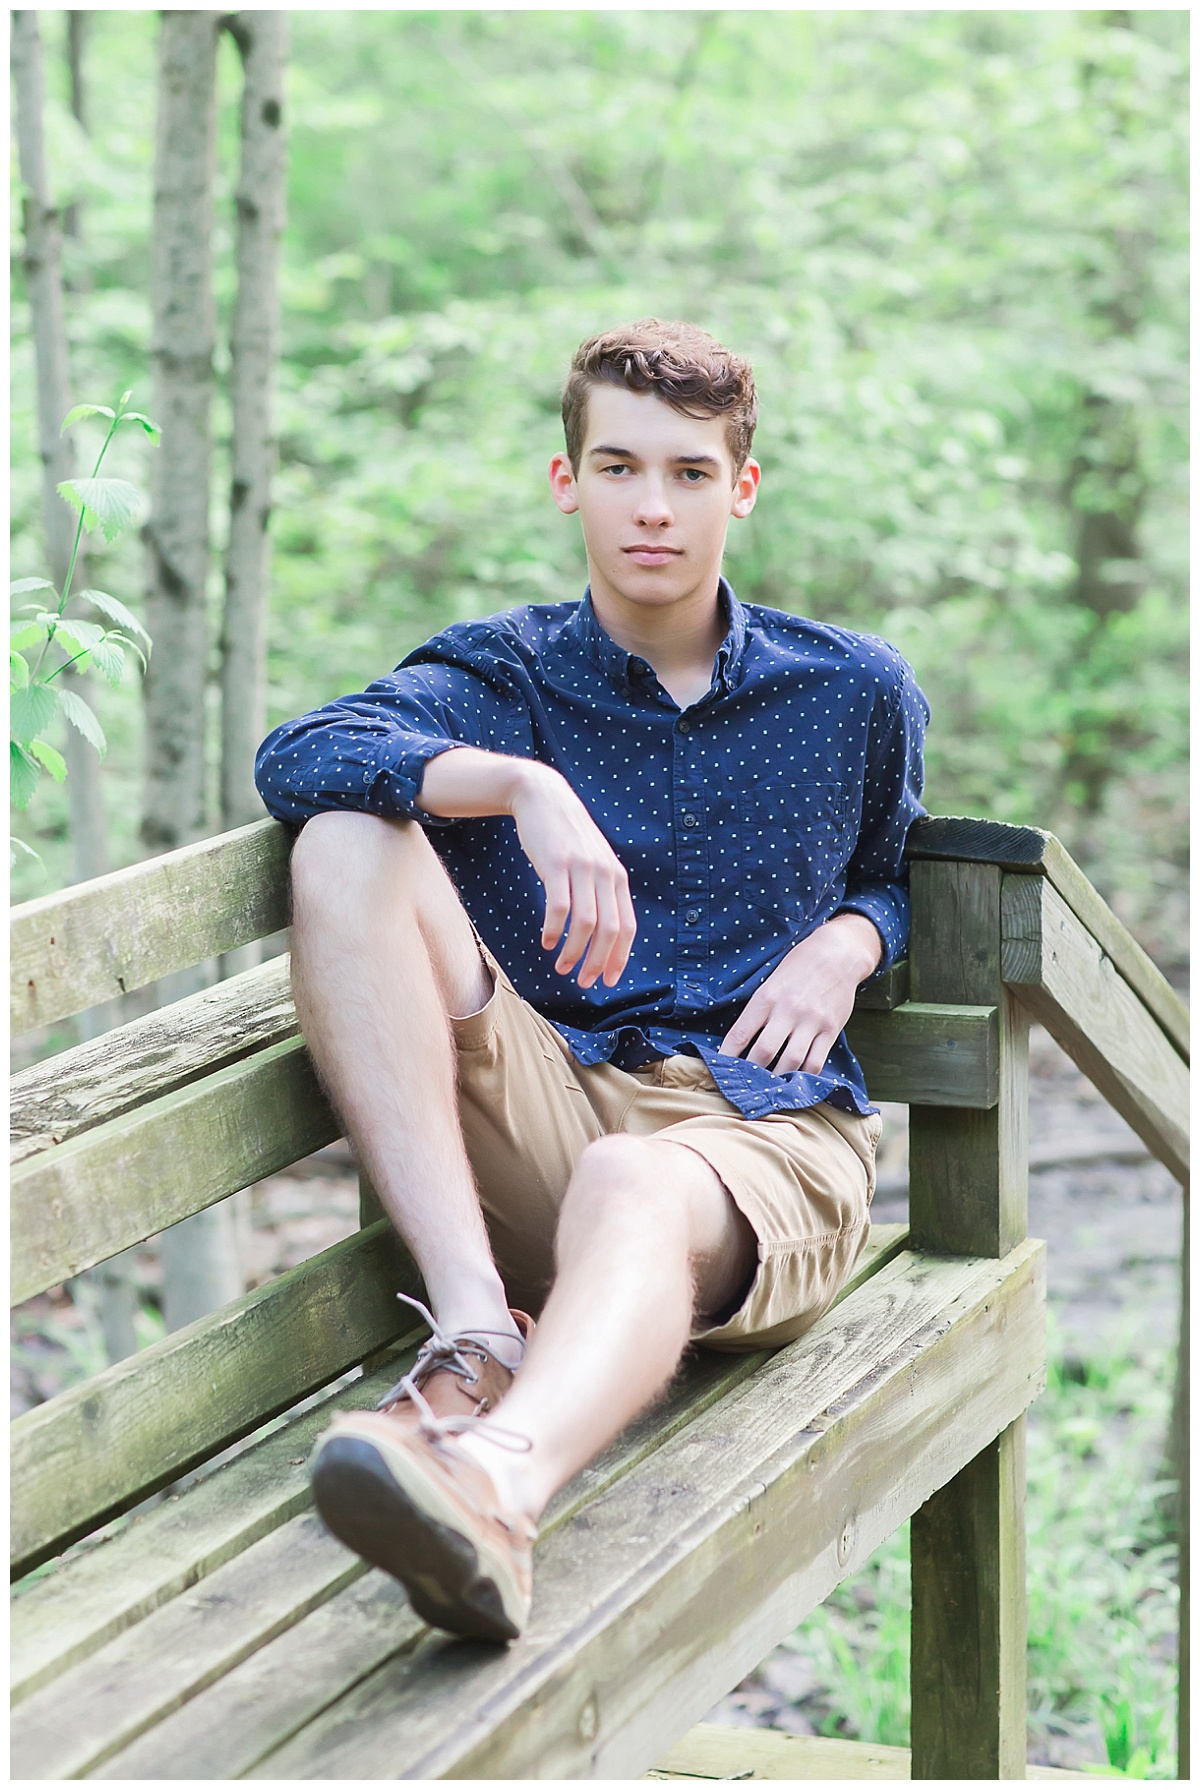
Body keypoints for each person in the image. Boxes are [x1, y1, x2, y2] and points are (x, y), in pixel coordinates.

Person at [254, 318, 929, 1645]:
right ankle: (472, 1329)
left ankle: (495, 1491)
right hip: (551, 1105)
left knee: (637, 1180)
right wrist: (522, 784)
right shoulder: (497, 677)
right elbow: (303, 756)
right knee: (346, 837)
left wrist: (851, 939)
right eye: (618, 467)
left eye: (688, 473)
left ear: (742, 486)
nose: (652, 506)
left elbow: (896, 872)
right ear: (569, 482)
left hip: (760, 1136)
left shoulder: (851, 689)